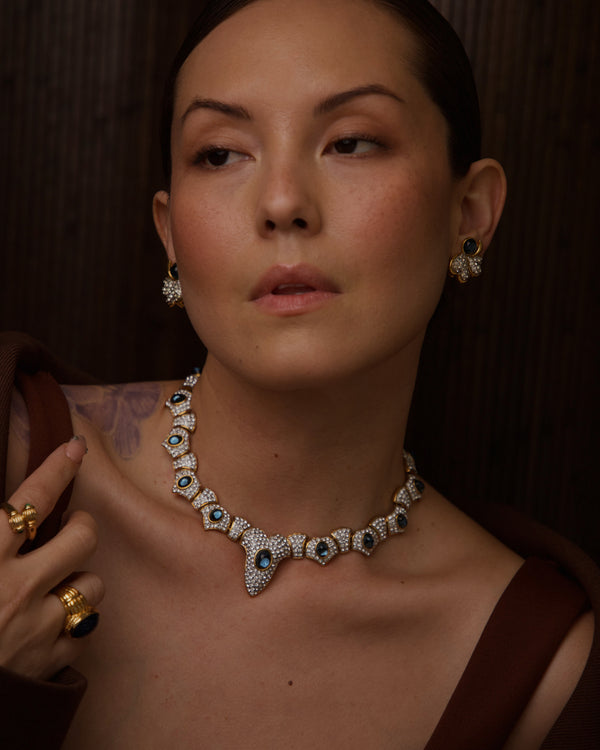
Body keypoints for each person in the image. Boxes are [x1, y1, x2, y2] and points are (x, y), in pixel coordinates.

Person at [1, 0, 598, 748]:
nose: (282, 203)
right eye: (221, 154)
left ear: (469, 212)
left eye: (351, 143)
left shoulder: (541, 672)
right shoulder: (16, 457)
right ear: (170, 232)